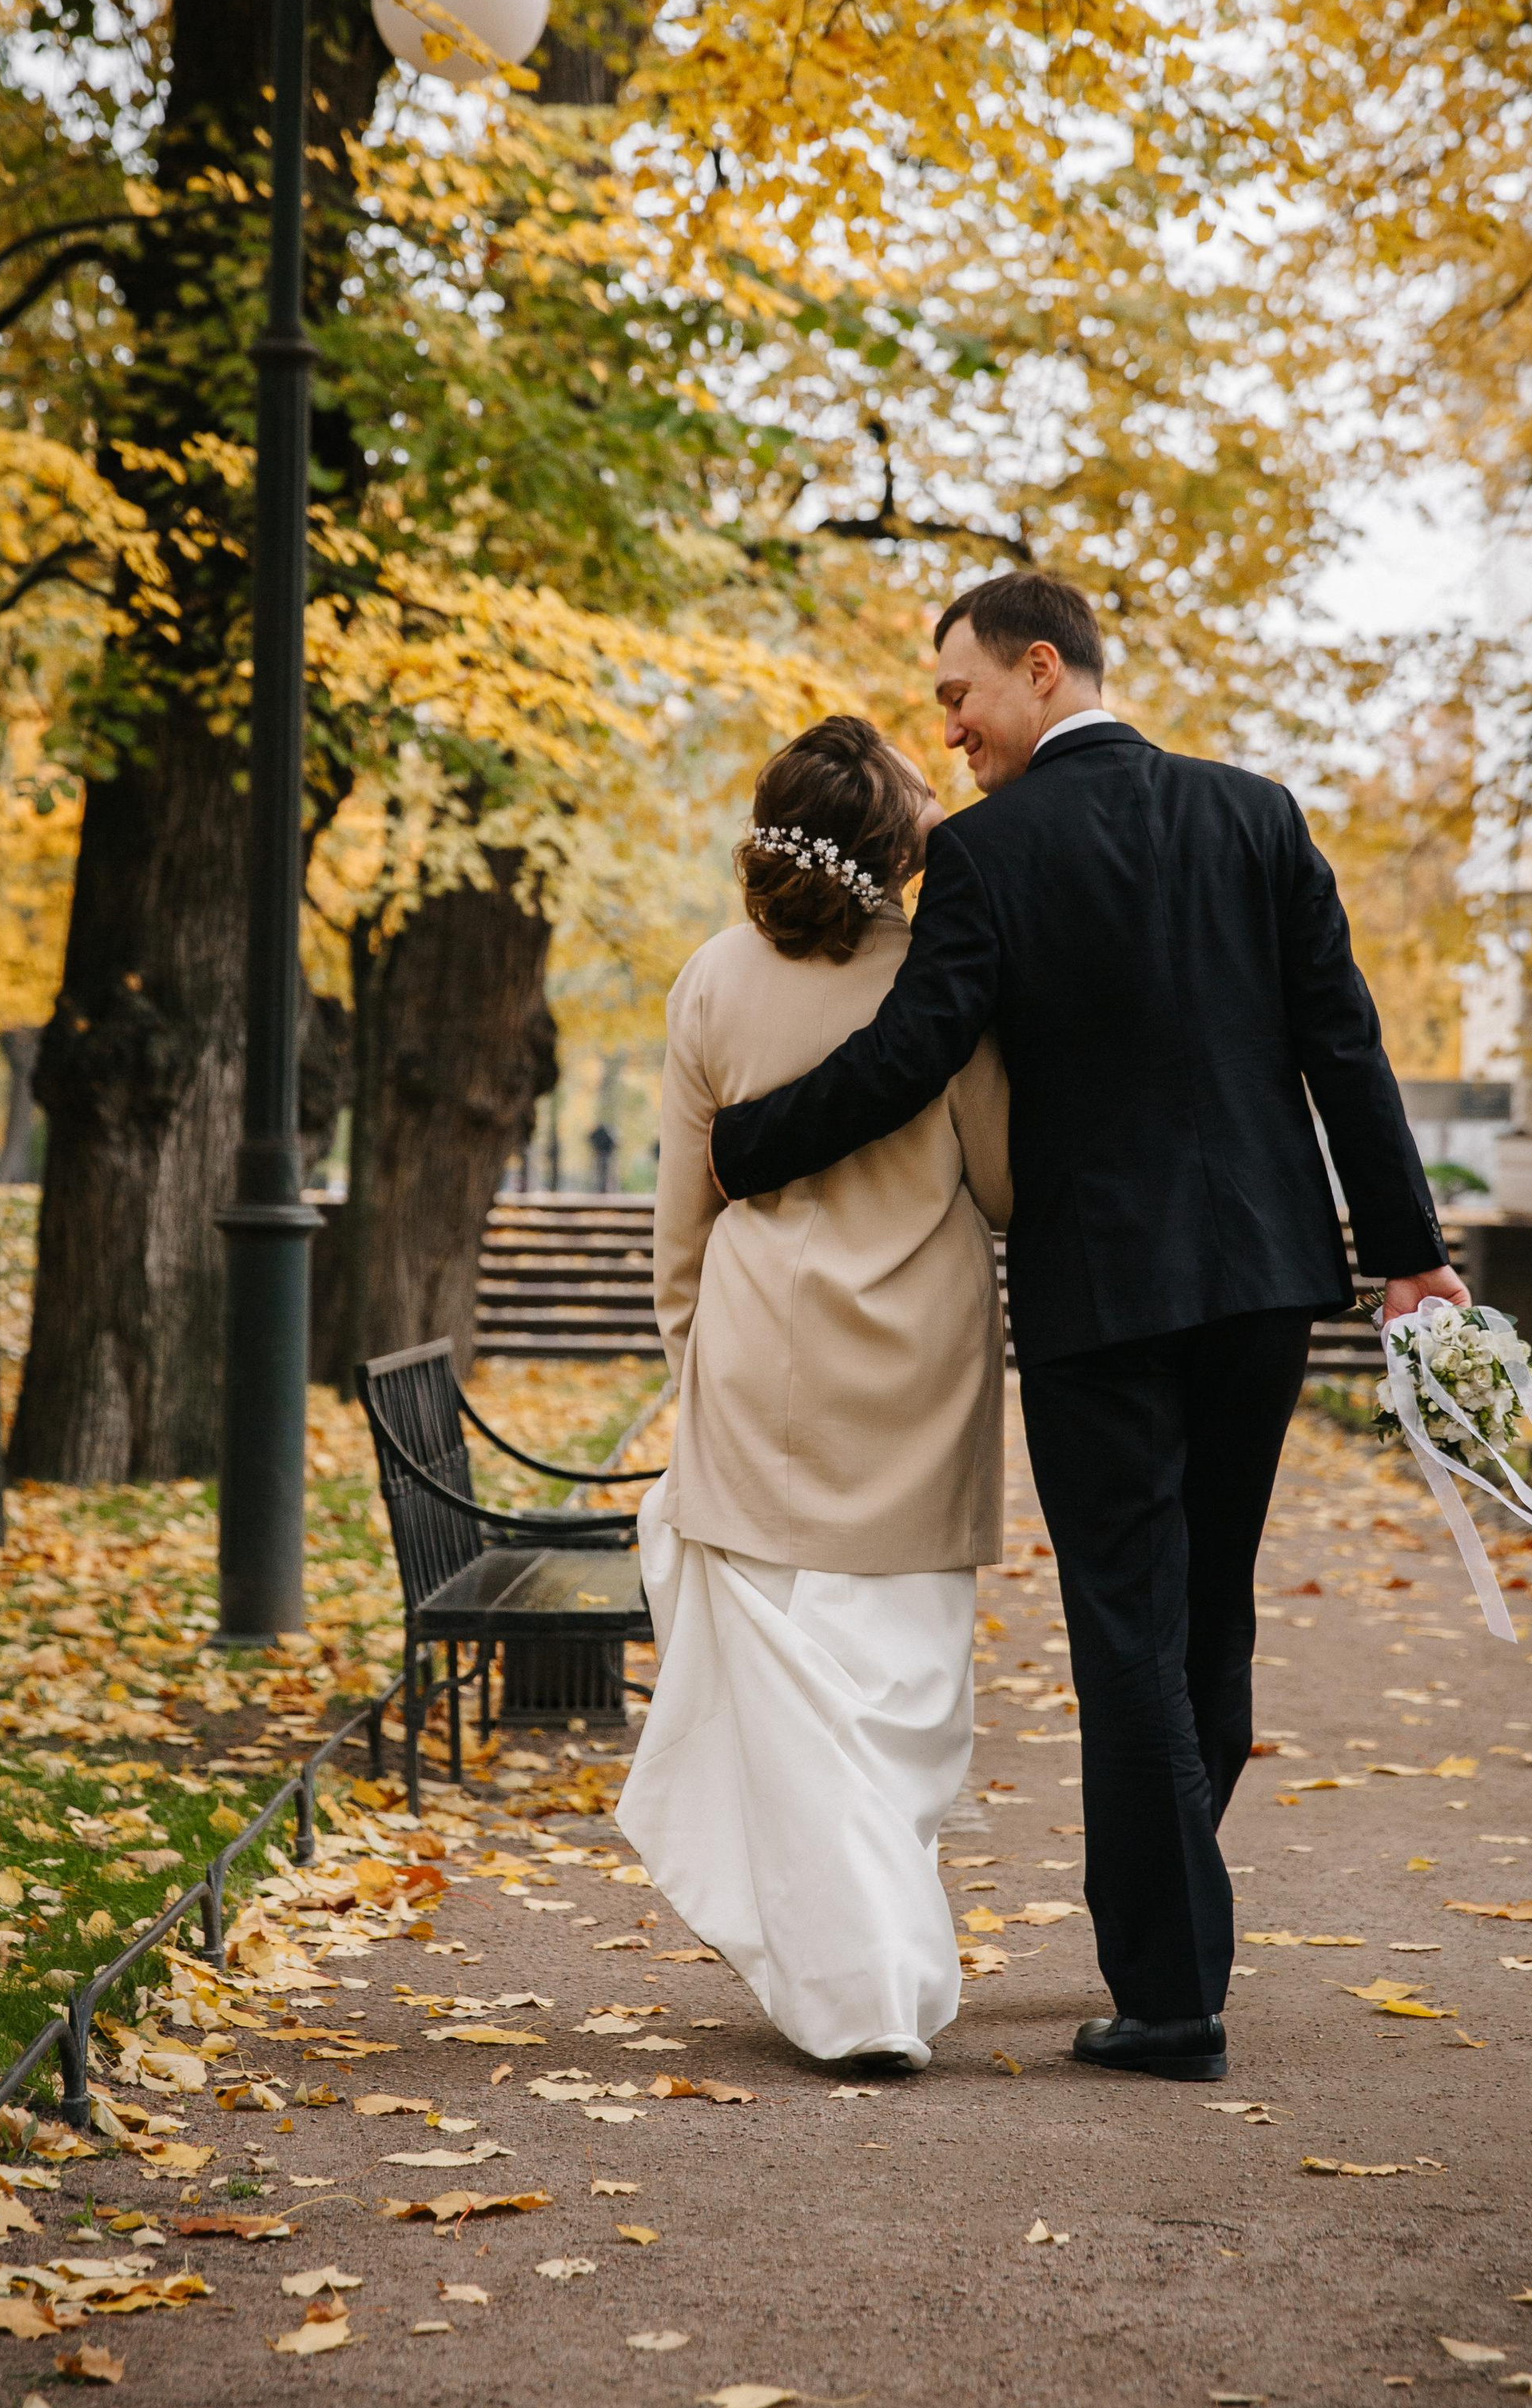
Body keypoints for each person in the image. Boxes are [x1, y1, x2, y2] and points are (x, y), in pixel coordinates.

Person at [706, 573, 1462, 2084]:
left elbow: (917, 1051)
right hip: (1261, 1284)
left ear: (1040, 671)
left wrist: (747, 1147)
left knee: (1129, 1625)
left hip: (1100, 1300)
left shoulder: (991, 854)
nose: (952, 728)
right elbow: (1342, 1041)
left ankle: (1173, 1997)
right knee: (1212, 1609)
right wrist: (1407, 1254)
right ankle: (1173, 1918)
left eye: (959, 695)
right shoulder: (1259, 815)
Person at [616, 715, 1012, 2070]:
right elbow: (1006, 1184)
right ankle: (868, 1986)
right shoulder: (950, 981)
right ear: (898, 846)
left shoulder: (714, 981)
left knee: (788, 1696)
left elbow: (682, 1220)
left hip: (759, 1368)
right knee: (900, 1691)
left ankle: (855, 1977)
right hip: (917, 1369)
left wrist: (693, 1370)